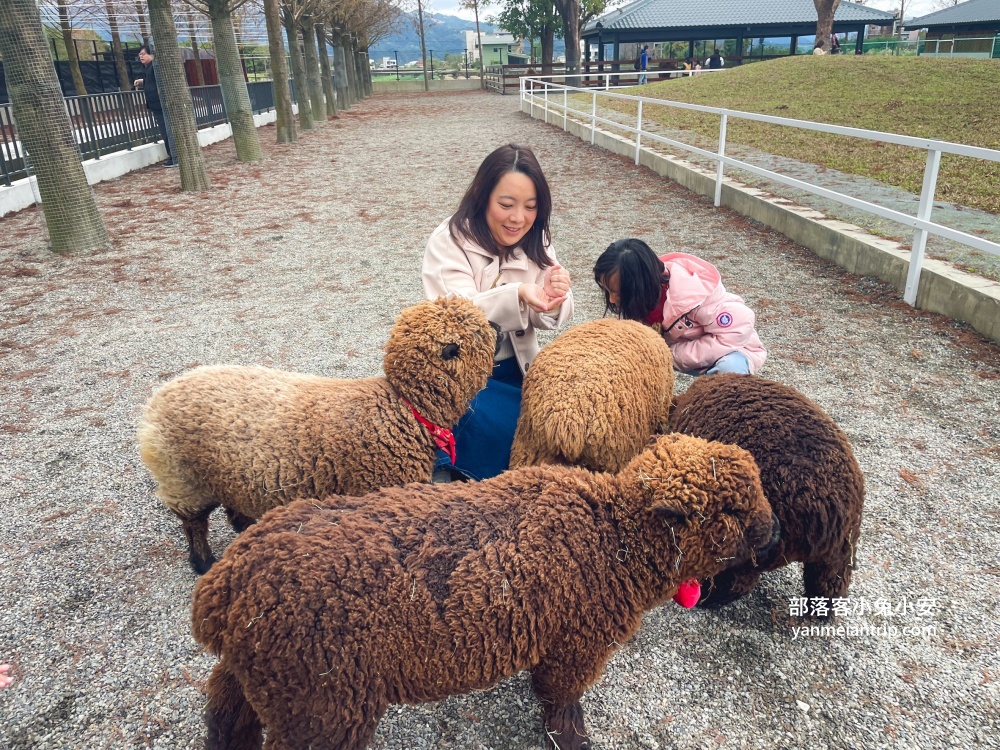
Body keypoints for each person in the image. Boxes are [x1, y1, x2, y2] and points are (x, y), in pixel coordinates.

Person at [423, 144, 573, 480]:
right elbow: (455, 315)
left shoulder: (537, 237)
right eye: (506, 204)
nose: (518, 218)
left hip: (522, 369)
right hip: (463, 375)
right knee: (511, 432)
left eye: (530, 207)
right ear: (483, 195)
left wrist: (555, 296)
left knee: (566, 422)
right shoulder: (449, 240)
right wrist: (518, 294)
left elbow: (547, 316)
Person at [593, 238, 766, 376]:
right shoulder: (642, 296)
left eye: (618, 293)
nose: (612, 300)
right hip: (678, 351)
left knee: (729, 372)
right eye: (607, 291)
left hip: (732, 350)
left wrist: (669, 354)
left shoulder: (694, 294)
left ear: (639, 285)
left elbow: (737, 330)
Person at [133, 45, 177, 167]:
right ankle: (173, 156)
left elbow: (159, 83)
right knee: (165, 131)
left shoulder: (155, 67)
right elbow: (152, 81)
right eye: (140, 54)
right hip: (156, 106)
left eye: (143, 54)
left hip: (161, 106)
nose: (140, 56)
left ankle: (175, 157)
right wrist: (142, 81)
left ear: (151, 54)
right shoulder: (149, 68)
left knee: (167, 131)